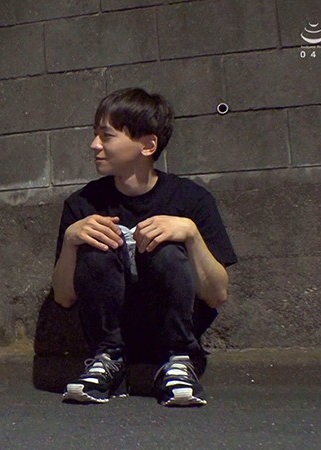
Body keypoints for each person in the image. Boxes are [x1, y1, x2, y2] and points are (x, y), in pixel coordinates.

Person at [52, 88, 237, 407]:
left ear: (147, 145)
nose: (94, 145)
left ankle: (178, 362)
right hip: (112, 335)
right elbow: (64, 297)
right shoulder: (82, 204)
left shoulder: (191, 199)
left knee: (166, 248)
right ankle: (109, 362)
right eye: (95, 135)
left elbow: (217, 295)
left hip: (175, 333)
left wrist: (191, 234)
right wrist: (71, 241)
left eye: (106, 136)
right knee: (96, 244)